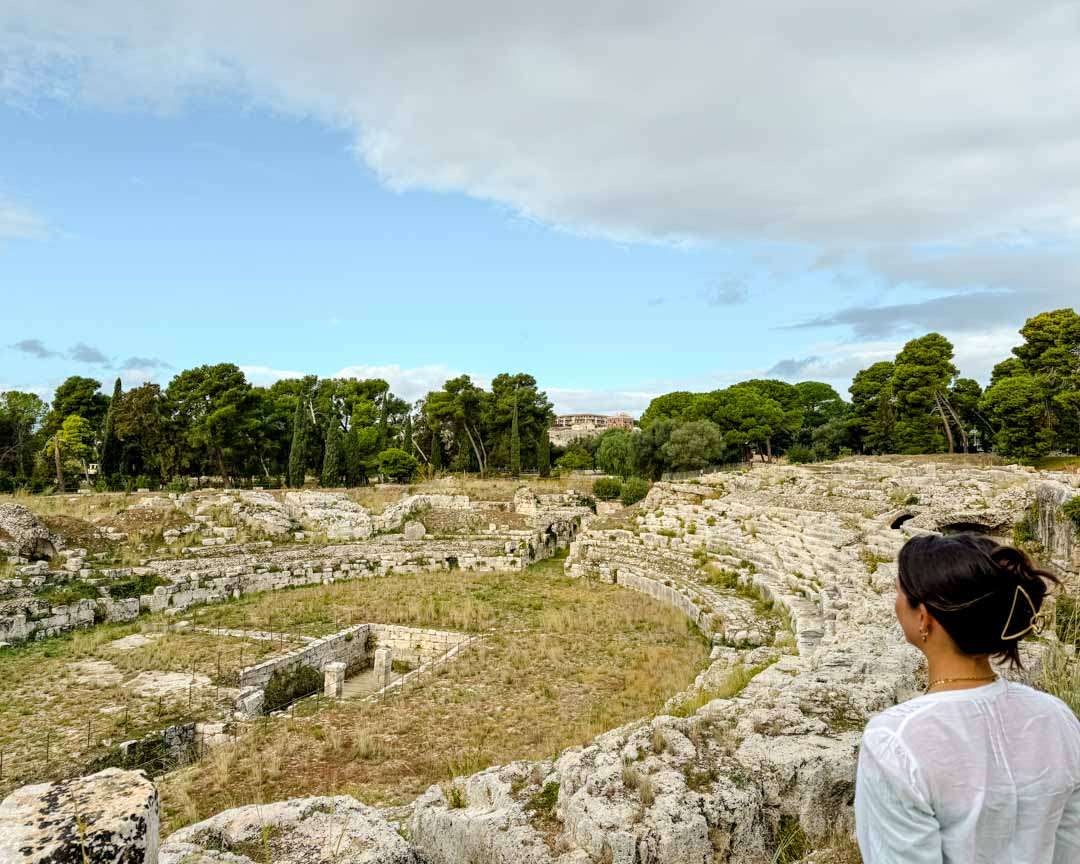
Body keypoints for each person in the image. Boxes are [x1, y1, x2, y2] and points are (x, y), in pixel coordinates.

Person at [855, 533, 1080, 863]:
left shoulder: (895, 742)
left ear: (924, 617)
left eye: (901, 591)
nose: (896, 600)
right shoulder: (1056, 717)